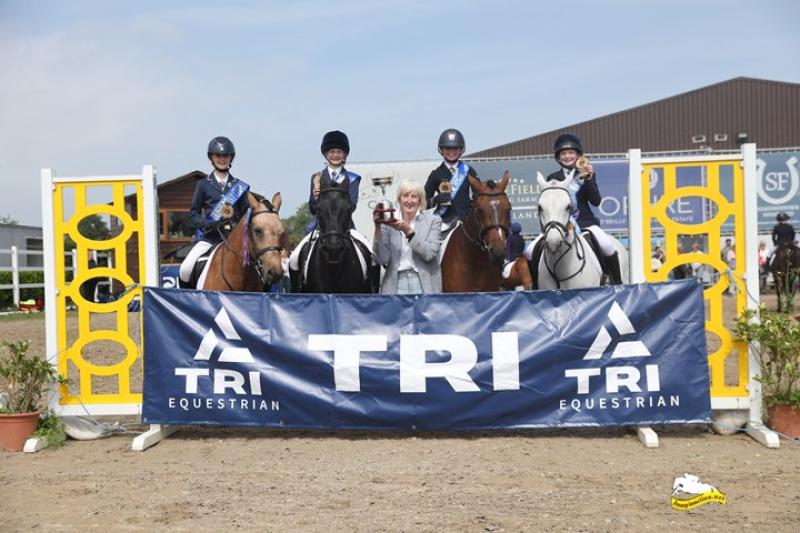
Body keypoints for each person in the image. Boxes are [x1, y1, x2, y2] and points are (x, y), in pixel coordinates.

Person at [544, 133, 623, 284]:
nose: (567, 156)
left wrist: (589, 179)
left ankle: (617, 283)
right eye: (563, 153)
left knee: (607, 245)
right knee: (529, 252)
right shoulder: (552, 178)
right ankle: (536, 286)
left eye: (571, 153)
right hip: (560, 225)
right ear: (558, 157)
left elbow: (596, 201)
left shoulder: (586, 174)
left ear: (578, 155)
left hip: (585, 223)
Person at [179, 136, 250, 288]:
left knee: (260, 267)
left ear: (231, 158)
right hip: (211, 237)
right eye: (218, 155)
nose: (222, 159)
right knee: (185, 268)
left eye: (226, 156)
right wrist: (208, 224)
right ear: (211, 158)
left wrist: (236, 221)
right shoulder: (203, 185)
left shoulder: (239, 187)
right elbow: (194, 213)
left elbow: (246, 213)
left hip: (235, 238)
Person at [373, 179, 442, 294]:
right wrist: (378, 228)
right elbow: (382, 259)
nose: (409, 201)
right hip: (395, 284)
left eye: (414, 196)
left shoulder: (433, 221)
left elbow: (429, 254)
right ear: (399, 199)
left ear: (420, 200)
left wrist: (408, 231)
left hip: (424, 286)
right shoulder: (389, 222)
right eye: (405, 196)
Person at [424, 129, 479, 232]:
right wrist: (435, 200)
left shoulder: (469, 171)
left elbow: (479, 194)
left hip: (465, 222)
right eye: (447, 148)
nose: (451, 152)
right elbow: (423, 200)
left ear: (461, 150)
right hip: (443, 224)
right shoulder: (435, 174)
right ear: (441, 150)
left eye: (455, 148)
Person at [306, 130, 361, 233]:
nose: (335, 155)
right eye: (332, 152)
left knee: (364, 245)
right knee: (301, 247)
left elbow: (352, 206)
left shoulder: (352, 178)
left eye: (339, 152)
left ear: (345, 154)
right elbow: (312, 209)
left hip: (345, 225)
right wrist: (316, 198)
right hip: (320, 226)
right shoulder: (317, 177)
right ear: (325, 154)